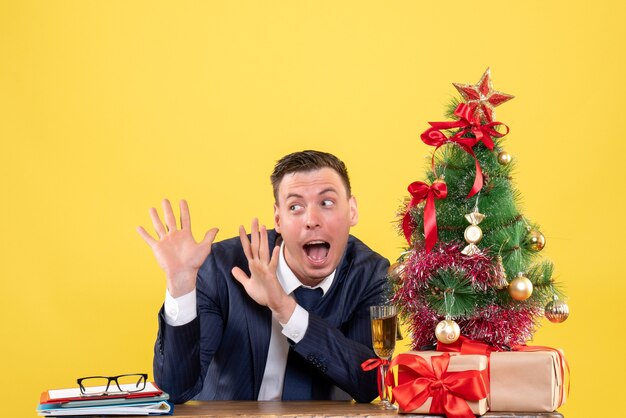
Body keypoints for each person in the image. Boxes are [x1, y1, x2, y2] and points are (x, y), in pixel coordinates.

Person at [137, 150, 390, 403]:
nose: (311, 220)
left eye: (326, 203)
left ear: (352, 210)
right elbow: (177, 388)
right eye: (295, 207)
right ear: (278, 219)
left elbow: (369, 384)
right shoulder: (221, 267)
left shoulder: (371, 275)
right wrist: (180, 288)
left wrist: (286, 309)